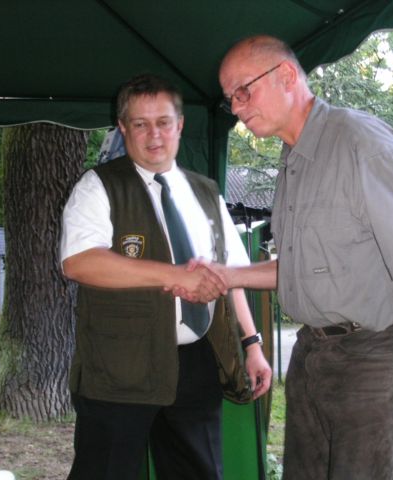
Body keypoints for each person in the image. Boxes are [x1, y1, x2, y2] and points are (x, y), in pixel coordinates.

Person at [213, 35, 393, 479]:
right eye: (230, 97)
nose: (235, 107)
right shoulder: (293, 158)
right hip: (312, 353)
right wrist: (228, 276)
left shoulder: (359, 141)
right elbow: (301, 269)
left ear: (286, 76)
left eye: (243, 91)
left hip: (374, 353)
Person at [60, 74, 271, 480]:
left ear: (180, 125)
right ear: (123, 128)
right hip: (119, 368)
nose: (153, 134)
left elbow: (231, 274)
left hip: (196, 364)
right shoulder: (98, 186)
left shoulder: (206, 192)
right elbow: (79, 262)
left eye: (163, 122)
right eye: (140, 123)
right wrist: (175, 276)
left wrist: (252, 344)